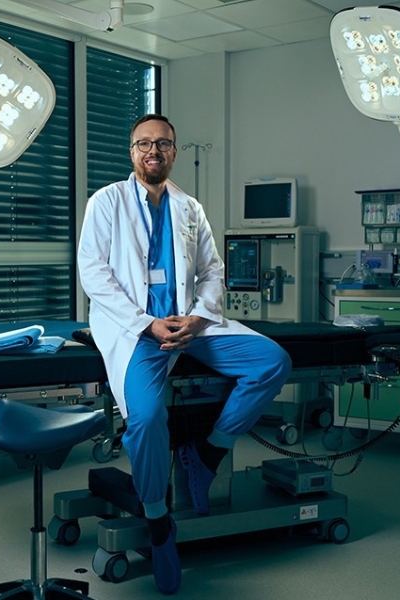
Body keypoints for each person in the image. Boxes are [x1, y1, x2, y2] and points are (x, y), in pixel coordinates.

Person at [77, 114, 292, 595]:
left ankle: (208, 450)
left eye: (163, 144)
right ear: (132, 151)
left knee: (273, 362)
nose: (153, 151)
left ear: (174, 152)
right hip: (138, 330)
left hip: (191, 325)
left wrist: (198, 317)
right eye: (144, 143)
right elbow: (93, 273)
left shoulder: (190, 207)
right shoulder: (106, 202)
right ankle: (158, 523)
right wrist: (146, 323)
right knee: (148, 418)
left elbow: (212, 271)